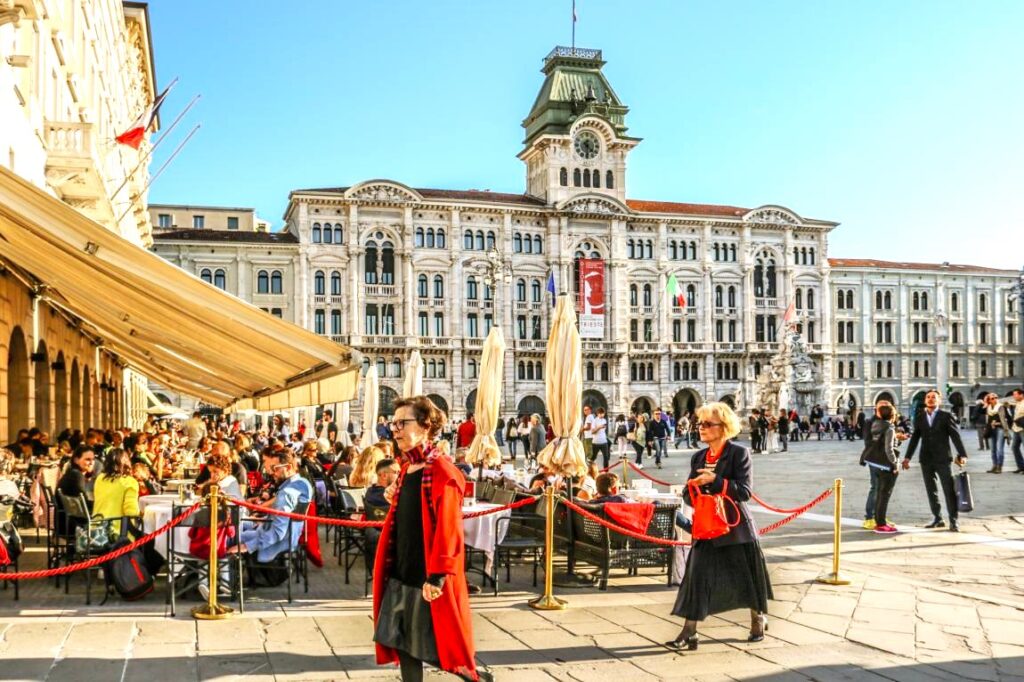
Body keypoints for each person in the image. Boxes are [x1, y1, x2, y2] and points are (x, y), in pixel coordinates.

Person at [372, 396, 490, 682]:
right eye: (393, 423)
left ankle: (474, 677)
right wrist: (395, 496)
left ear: (425, 426)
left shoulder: (441, 471)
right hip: (401, 567)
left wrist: (437, 576)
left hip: (426, 572)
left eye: (403, 422)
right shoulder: (407, 467)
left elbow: (449, 528)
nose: (395, 429)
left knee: (439, 643)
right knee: (403, 641)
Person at [668, 401, 772, 650]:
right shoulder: (699, 456)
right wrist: (691, 490)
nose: (701, 428)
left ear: (723, 427)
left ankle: (757, 618)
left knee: (746, 576)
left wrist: (716, 481)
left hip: (735, 527)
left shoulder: (738, 453)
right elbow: (687, 493)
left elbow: (744, 492)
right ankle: (689, 630)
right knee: (697, 576)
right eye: (699, 423)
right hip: (706, 526)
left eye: (707, 424)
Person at [226, 448, 312, 563]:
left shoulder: (286, 494)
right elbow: (284, 520)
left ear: (288, 467)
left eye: (274, 468)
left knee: (227, 538)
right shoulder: (303, 483)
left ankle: (219, 576)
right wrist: (262, 519)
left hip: (275, 543)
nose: (271, 473)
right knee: (239, 530)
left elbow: (277, 533)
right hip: (291, 538)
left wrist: (247, 546)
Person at [902, 390, 968, 532]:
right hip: (925, 459)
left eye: (934, 397)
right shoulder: (920, 417)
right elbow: (915, 438)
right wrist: (907, 457)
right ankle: (938, 518)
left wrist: (962, 454)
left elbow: (955, 436)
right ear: (925, 400)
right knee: (931, 490)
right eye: (928, 397)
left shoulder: (946, 416)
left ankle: (953, 520)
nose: (931, 399)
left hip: (943, 459)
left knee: (948, 490)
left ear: (939, 400)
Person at [860, 403, 900, 533]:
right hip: (884, 463)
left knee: (878, 491)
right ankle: (877, 521)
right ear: (892, 415)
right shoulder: (889, 427)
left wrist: (896, 439)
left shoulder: (876, 425)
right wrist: (895, 463)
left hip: (874, 462)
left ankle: (879, 518)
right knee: (883, 493)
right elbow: (888, 449)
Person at [92, 448, 141, 535]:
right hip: (118, 533)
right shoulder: (130, 482)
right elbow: (131, 512)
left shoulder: (100, 478)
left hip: (96, 529)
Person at [983, 393, 1011, 474]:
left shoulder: (1001, 407)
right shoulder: (988, 408)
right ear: (989, 400)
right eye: (992, 398)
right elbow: (979, 413)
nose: (994, 399)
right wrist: (984, 403)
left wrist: (998, 423)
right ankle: (994, 465)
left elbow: (1007, 418)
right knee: (993, 449)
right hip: (991, 429)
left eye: (995, 397)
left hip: (1000, 429)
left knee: (999, 449)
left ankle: (999, 466)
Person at [1011, 388, 1024, 474]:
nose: (1014, 396)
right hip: (1016, 428)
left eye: (1015, 394)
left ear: (1021, 395)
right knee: (1014, 447)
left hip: (1023, 429)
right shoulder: (1017, 403)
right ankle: (1021, 466)